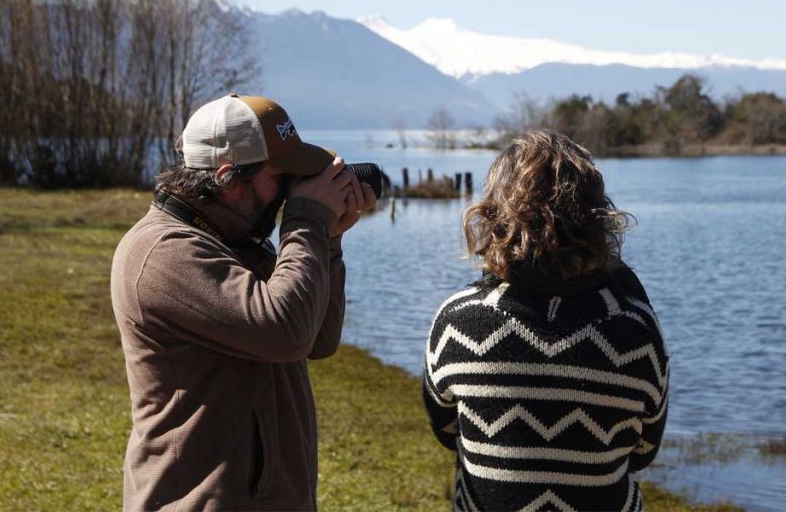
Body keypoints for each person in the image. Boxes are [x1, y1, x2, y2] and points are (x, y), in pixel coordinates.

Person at [111, 94, 375, 511]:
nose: (292, 190)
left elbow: (317, 338)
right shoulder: (164, 251)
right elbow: (284, 332)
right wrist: (306, 220)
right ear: (228, 178)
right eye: (282, 176)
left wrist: (328, 240)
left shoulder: (238, 242)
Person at [422, 130, 669, 512]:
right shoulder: (634, 328)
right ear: (596, 217)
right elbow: (643, 450)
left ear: (492, 217)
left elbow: (446, 431)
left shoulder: (457, 321)